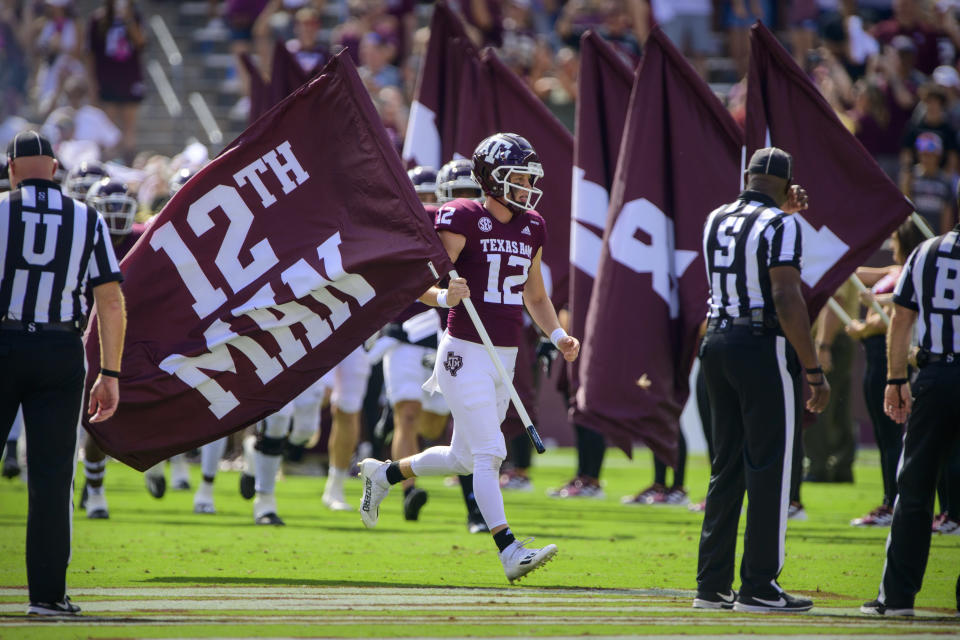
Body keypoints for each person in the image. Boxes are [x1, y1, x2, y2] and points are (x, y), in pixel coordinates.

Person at [358, 133, 580, 583]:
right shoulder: (461, 217)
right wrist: (442, 296)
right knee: (490, 453)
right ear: (491, 178)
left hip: (505, 355)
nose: (525, 187)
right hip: (464, 353)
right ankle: (508, 549)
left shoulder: (532, 224)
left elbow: (534, 295)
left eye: (528, 179)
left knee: (464, 458)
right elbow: (411, 279)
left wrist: (557, 333)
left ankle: (384, 474)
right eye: (517, 178)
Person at [695, 147, 830, 613]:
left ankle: (711, 585)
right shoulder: (783, 224)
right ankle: (758, 584)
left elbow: (743, 254)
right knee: (770, 465)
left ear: (748, 175)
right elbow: (785, 294)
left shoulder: (715, 217)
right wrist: (812, 368)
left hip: (715, 340)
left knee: (726, 466)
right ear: (788, 184)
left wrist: (780, 209)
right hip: (760, 344)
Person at [0, 130, 126, 615]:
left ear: (11, 170)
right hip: (59, 348)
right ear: (55, 168)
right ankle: (48, 596)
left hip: (4, 339)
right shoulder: (87, 218)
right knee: (52, 478)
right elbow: (110, 299)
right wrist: (109, 371)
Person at [861, 220, 960, 617]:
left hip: (934, 377)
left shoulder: (927, 251)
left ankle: (897, 597)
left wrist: (896, 378)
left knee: (914, 488)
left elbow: (901, 319)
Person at [846, 221, 925, 527]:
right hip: (875, 356)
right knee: (884, 435)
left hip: (888, 354)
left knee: (892, 435)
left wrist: (863, 326)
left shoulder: (912, 272)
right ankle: (889, 499)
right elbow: (853, 273)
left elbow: (897, 314)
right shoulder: (894, 270)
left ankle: (894, 501)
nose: (891, 246)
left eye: (894, 240)